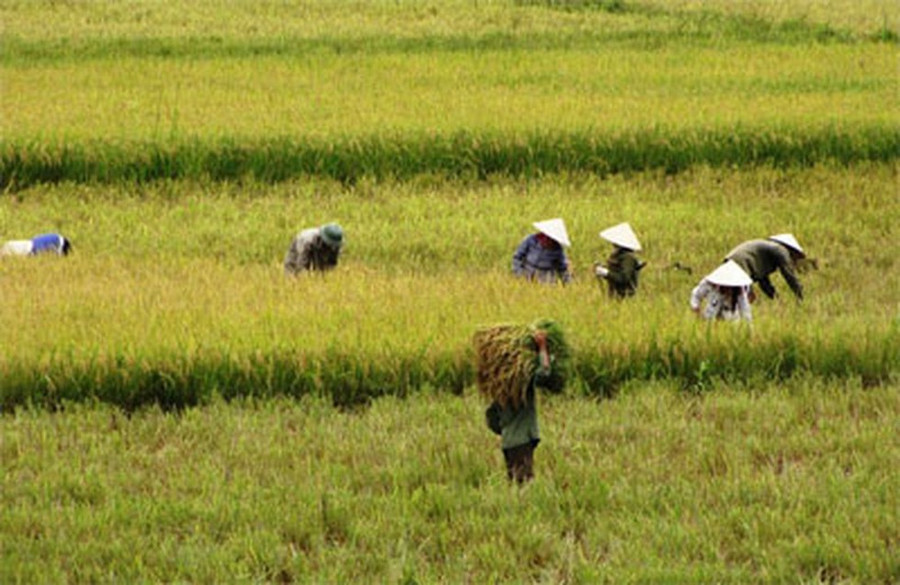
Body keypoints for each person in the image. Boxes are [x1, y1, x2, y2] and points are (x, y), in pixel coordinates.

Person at [484, 329, 552, 484]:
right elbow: (544, 372)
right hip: (522, 441)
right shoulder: (522, 383)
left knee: (514, 481)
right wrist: (542, 347)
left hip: (508, 442)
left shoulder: (499, 387)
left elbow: (491, 418)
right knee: (525, 483)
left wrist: (504, 430)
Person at [725, 233, 805, 300]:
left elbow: (764, 282)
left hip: (730, 261)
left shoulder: (765, 254)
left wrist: (776, 298)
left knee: (730, 296)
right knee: (745, 297)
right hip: (741, 263)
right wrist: (801, 294)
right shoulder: (780, 250)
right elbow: (789, 275)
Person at [511, 218, 572, 284]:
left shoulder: (557, 249)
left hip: (546, 280)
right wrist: (519, 274)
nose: (548, 242)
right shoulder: (531, 240)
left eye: (552, 240)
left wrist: (569, 284)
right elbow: (517, 257)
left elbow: (562, 269)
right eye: (547, 239)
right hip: (527, 274)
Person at [594, 222, 645, 298]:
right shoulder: (619, 255)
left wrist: (606, 273)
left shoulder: (628, 258)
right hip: (615, 295)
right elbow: (615, 272)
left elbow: (624, 278)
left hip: (625, 296)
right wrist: (603, 271)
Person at [1, 233, 72, 257]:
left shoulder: (55, 237)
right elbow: (59, 253)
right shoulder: (58, 240)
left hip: (29, 243)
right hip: (29, 248)